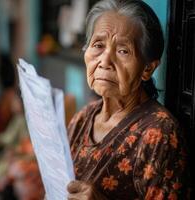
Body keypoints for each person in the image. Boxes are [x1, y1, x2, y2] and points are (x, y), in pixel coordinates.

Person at [66, 0, 190, 199]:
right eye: (98, 45)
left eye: (123, 51)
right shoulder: (83, 117)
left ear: (147, 68)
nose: (105, 62)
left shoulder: (158, 133)